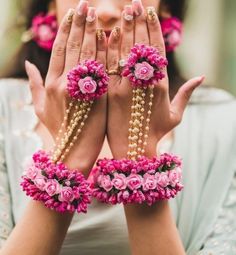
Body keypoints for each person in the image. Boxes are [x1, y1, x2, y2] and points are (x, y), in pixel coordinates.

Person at [0, 0, 235, 254]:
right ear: (48, 5)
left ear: (165, 6)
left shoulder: (223, 124)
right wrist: (68, 158)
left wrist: (139, 157)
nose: (106, 12)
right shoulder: (4, 110)